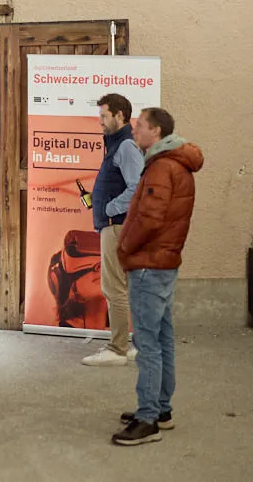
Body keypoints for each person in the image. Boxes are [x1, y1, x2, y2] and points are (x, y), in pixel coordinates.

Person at [112, 108, 203, 446]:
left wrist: (125, 246)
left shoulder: (162, 167)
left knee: (147, 343)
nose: (134, 130)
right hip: (164, 262)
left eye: (140, 126)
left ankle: (148, 418)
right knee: (162, 337)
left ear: (157, 131)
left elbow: (149, 219)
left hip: (149, 265)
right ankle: (162, 409)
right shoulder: (174, 163)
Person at [83, 94, 144, 367]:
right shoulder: (119, 145)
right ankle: (133, 346)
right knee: (123, 287)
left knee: (114, 287)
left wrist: (108, 208)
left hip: (116, 226)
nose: (100, 121)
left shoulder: (126, 146)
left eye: (104, 116)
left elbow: (137, 188)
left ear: (120, 116)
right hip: (116, 225)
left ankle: (117, 349)